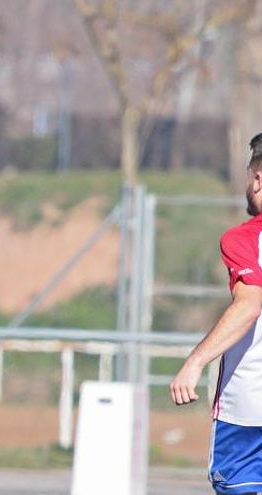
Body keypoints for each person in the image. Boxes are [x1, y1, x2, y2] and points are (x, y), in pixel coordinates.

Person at [171, 134, 262, 494]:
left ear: (258, 179)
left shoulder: (246, 239)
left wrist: (195, 361)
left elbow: (250, 303)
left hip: (249, 413)